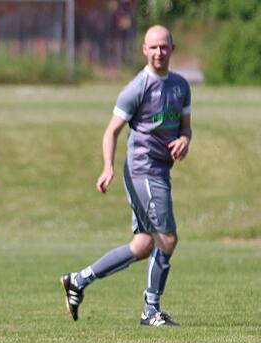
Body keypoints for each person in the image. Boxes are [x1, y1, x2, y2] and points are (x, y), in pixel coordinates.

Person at [60, 25, 192, 327]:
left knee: (144, 246)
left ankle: (78, 280)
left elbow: (186, 128)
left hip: (161, 170)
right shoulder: (137, 88)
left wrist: (185, 141)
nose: (159, 52)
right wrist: (107, 167)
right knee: (167, 239)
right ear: (144, 50)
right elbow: (111, 132)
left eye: (164, 47)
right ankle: (150, 311)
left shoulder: (181, 86)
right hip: (141, 170)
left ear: (172, 48)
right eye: (153, 47)